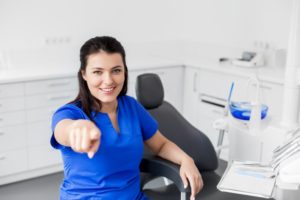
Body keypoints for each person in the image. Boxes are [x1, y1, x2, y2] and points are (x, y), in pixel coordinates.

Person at [51, 36, 203, 200]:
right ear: (84, 74)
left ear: (125, 72)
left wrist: (186, 160)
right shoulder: (71, 113)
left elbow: (161, 145)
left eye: (116, 70)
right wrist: (76, 129)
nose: (108, 80)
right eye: (97, 72)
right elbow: (63, 130)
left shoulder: (132, 107)